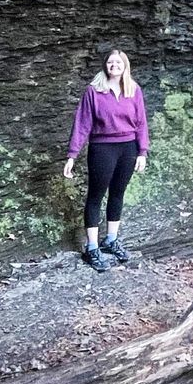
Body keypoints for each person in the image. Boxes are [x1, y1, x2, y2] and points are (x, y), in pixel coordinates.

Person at [64, 48, 149, 270]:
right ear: (105, 65)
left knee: (118, 194)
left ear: (125, 66)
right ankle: (92, 247)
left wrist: (142, 152)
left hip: (128, 147)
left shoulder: (134, 90)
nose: (114, 66)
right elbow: (82, 124)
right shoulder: (94, 91)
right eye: (111, 62)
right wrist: (72, 155)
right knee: (96, 196)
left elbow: (141, 123)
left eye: (118, 63)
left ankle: (110, 240)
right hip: (102, 148)